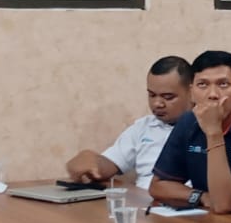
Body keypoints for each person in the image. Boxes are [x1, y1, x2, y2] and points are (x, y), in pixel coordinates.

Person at [149, 50, 231, 214]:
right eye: (202, 85)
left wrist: (213, 133)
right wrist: (201, 196)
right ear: (191, 92)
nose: (212, 95)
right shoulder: (189, 122)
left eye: (223, 84)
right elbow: (158, 186)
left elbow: (224, 204)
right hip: (207, 221)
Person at [64, 55, 192, 190]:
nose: (157, 103)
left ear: (191, 92)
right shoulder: (143, 127)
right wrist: (91, 161)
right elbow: (110, 164)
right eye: (152, 95)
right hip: (143, 199)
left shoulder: (204, 129)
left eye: (168, 97)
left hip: (185, 200)